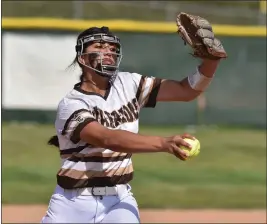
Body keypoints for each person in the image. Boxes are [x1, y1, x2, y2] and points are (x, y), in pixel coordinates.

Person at [41, 26, 221, 223]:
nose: (108, 51)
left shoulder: (129, 84)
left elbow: (186, 91)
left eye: (112, 47)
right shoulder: (72, 104)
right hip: (72, 204)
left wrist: (211, 62)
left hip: (118, 201)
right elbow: (107, 138)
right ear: (82, 58)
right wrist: (163, 143)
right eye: (100, 46)